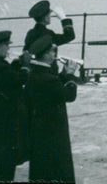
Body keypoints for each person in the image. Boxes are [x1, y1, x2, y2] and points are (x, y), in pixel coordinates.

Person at [26, 34, 79, 184]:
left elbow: (54, 88)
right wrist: (70, 76)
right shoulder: (48, 79)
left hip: (40, 126)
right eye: (52, 52)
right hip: (53, 127)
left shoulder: (36, 73)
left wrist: (62, 75)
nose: (54, 55)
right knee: (57, 164)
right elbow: (69, 95)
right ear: (46, 55)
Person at [0, 29, 30, 183]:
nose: (8, 48)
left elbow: (8, 77)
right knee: (4, 165)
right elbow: (18, 79)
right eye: (6, 45)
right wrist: (25, 66)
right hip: (4, 123)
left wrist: (16, 65)